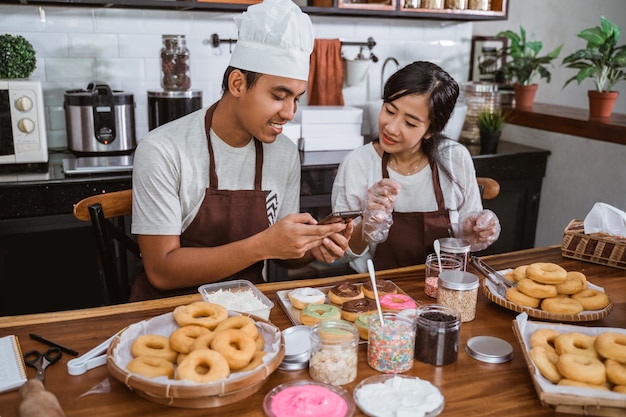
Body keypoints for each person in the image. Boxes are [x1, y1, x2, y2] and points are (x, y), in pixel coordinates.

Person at [130, 0, 353, 300]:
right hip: (168, 315)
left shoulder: (284, 154)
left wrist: (313, 244)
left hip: (250, 313)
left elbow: (283, 255)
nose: (289, 112)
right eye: (279, 96)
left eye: (296, 99)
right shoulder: (164, 150)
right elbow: (161, 271)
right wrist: (262, 245)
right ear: (237, 83)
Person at [331, 61, 500, 273]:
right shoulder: (358, 163)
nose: (391, 128)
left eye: (410, 123)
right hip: (377, 291)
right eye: (390, 110)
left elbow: (468, 241)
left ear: (431, 130)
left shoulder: (454, 158)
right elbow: (341, 253)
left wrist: (476, 234)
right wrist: (367, 226)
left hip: (444, 289)